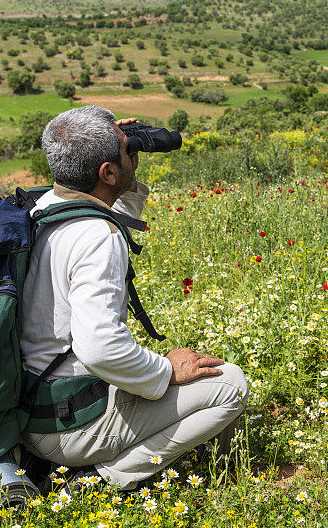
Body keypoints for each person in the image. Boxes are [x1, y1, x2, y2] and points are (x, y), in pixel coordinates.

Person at [19, 105, 249, 491]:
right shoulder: (97, 238)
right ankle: (102, 479)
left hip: (29, 410)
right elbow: (100, 349)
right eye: (127, 151)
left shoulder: (41, 208)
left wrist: (124, 163)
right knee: (230, 384)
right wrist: (165, 371)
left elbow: (104, 208)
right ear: (107, 173)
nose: (133, 153)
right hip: (69, 428)